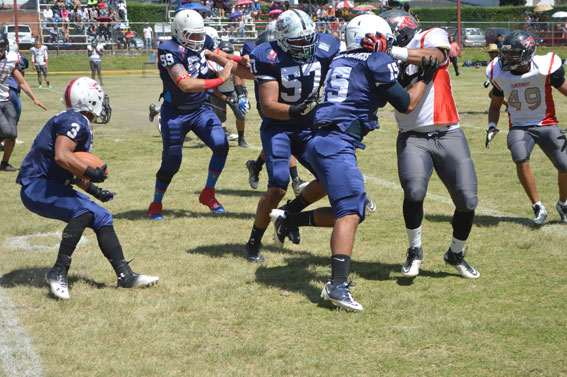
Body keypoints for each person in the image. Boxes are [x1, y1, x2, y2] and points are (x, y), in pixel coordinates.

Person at [271, 14, 437, 311]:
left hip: (322, 139)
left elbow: (378, 93)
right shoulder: (374, 60)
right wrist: (425, 78)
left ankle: (290, 217)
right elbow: (406, 103)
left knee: (349, 208)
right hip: (337, 142)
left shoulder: (341, 58)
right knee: (350, 211)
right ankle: (337, 285)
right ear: (372, 36)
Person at [16, 77, 158, 300]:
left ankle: (125, 275)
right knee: (83, 211)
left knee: (102, 216)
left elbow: (69, 170)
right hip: (36, 186)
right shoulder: (75, 120)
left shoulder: (75, 121)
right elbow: (62, 156)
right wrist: (92, 173)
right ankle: (58, 271)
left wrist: (94, 191)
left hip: (50, 184)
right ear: (89, 100)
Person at [380, 10, 480, 279]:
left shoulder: (429, 35)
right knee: (414, 192)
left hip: (449, 132)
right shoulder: (382, 56)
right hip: (413, 135)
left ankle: (455, 253)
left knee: (468, 200)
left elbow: (435, 57)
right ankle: (415, 250)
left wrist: (393, 53)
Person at [242, 10, 340, 262]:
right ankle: (253, 242)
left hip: (309, 129)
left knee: (329, 179)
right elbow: (268, 105)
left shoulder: (327, 47)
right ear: (283, 39)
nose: (307, 46)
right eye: (299, 41)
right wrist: (297, 110)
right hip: (279, 128)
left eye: (310, 39)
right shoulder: (268, 56)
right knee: (277, 187)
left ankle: (288, 214)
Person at [147, 9, 243, 219]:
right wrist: (221, 79)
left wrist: (238, 59)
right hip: (175, 113)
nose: (199, 40)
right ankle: (156, 202)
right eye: (193, 36)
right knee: (172, 162)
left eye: (200, 35)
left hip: (200, 109)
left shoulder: (204, 39)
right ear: (179, 32)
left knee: (221, 145)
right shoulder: (168, 49)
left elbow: (219, 55)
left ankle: (208, 193)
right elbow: (186, 84)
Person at [486, 31, 567, 225]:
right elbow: (495, 104)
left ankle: (563, 203)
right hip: (519, 126)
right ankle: (537, 206)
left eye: (513, 53)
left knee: (565, 165)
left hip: (546, 122)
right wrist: (491, 125)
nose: (507, 58)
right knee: (520, 157)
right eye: (506, 53)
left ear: (527, 52)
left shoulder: (543, 68)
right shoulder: (499, 72)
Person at [0, 33, 46, 171]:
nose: (0, 49)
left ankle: (4, 163)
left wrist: (35, 98)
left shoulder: (11, 59)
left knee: (13, 134)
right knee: (5, 130)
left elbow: (21, 82)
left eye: (2, 46)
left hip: (6, 99)